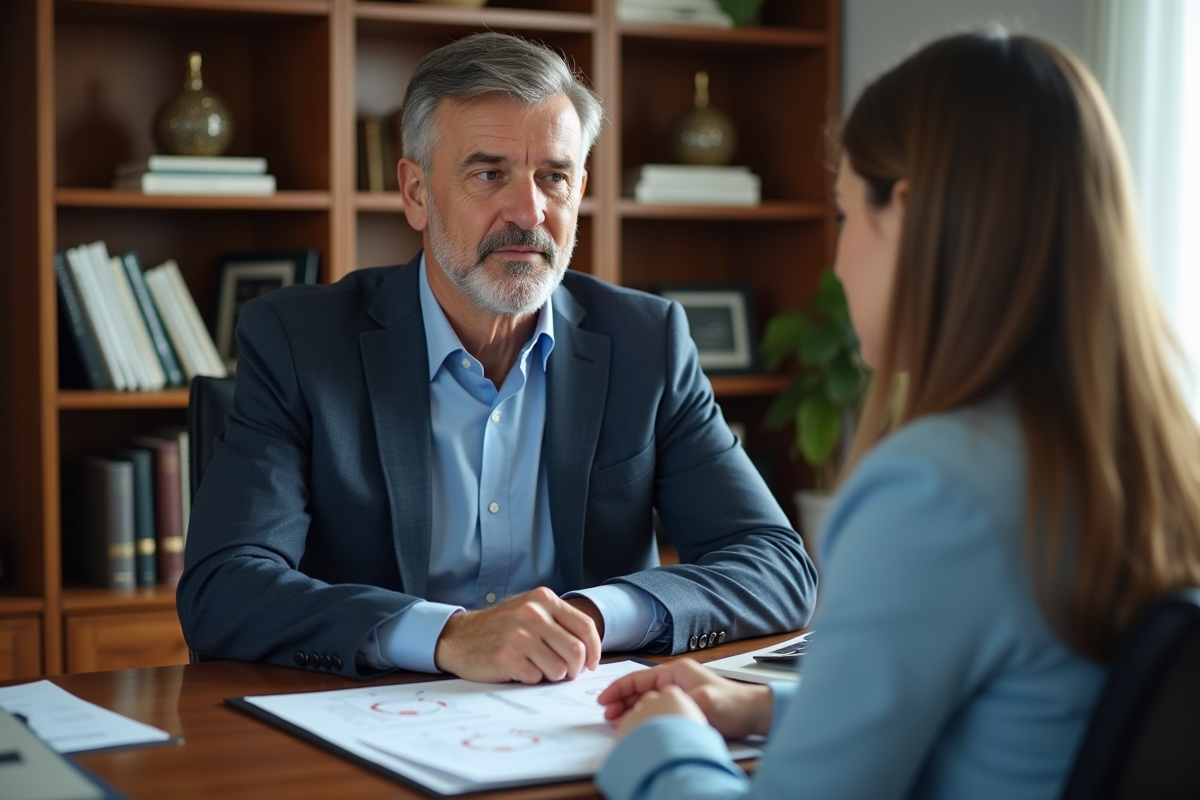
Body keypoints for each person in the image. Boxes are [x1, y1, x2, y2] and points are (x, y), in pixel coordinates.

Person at [595, 30, 1200, 800]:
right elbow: (1017, 712)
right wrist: (764, 708)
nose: (838, 261)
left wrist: (662, 741)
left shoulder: (935, 488)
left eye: (846, 216)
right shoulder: (1150, 455)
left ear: (907, 215)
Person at [176, 32, 816, 684]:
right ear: (417, 192)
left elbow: (776, 565)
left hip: (576, 713)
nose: (528, 211)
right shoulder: (298, 342)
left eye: (553, 178)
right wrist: (446, 637)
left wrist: (591, 617)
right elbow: (223, 587)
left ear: (579, 191)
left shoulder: (646, 342)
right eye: (489, 174)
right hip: (375, 715)